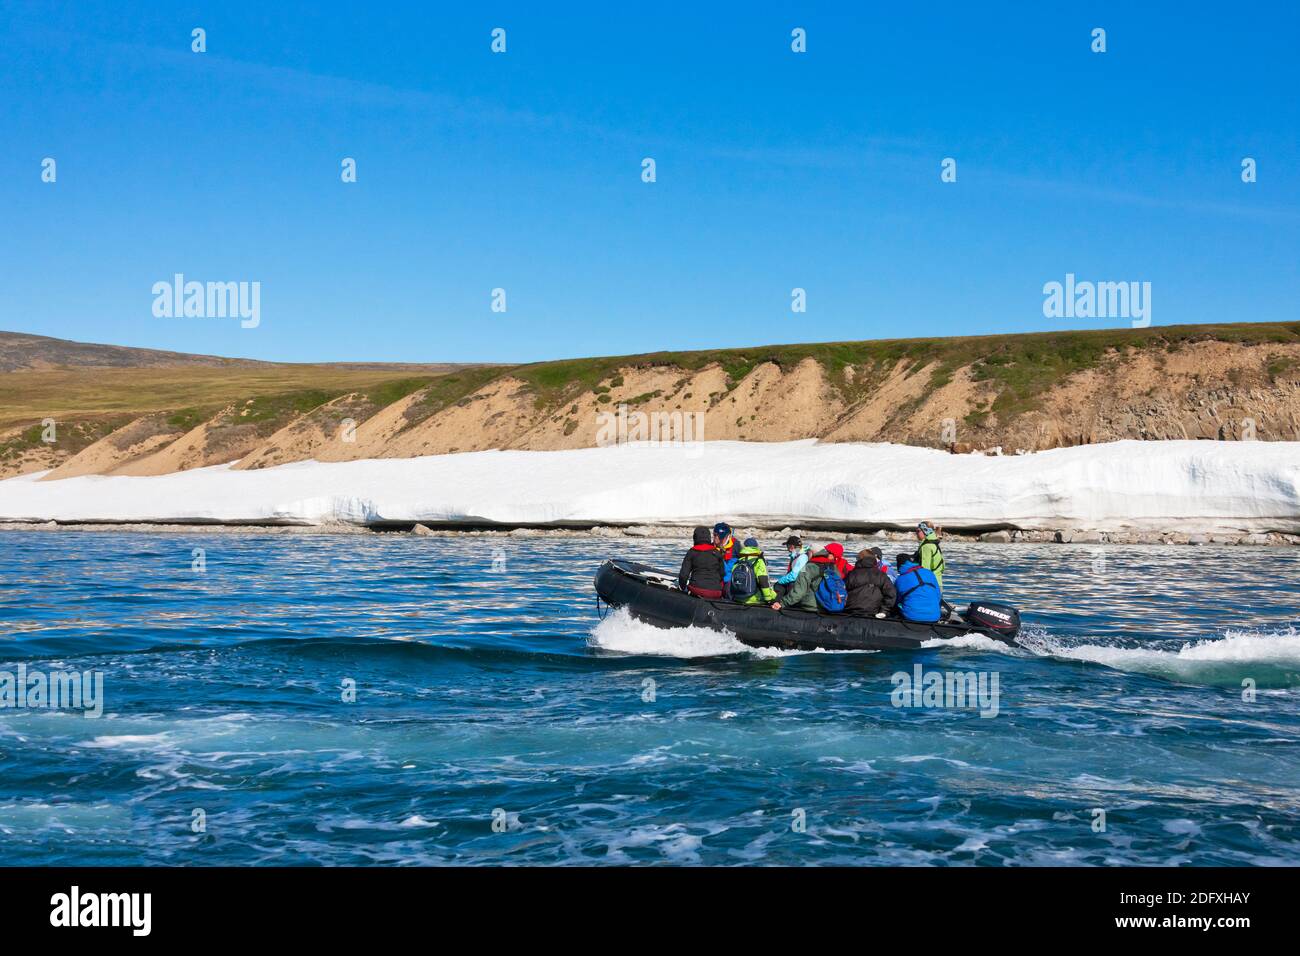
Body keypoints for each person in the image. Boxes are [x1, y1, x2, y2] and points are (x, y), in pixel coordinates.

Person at [771, 547, 844, 612]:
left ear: (811, 553)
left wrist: (782, 603)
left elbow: (799, 592)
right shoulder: (833, 566)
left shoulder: (807, 567)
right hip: (831, 604)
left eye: (807, 552)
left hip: (812, 606)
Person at [844, 550, 897, 617]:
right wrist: (884, 610)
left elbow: (842, 591)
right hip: (875, 611)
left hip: (852, 610)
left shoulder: (851, 574)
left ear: (859, 560)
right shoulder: (881, 575)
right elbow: (891, 594)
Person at [679, 526, 725, 598]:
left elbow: (683, 575)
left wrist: (683, 588)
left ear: (695, 538)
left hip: (697, 589)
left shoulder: (692, 552)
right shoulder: (717, 553)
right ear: (709, 537)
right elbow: (722, 574)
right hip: (715, 591)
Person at [729, 537, 778, 606]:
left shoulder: (738, 561)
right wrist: (769, 599)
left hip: (738, 597)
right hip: (753, 599)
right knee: (777, 596)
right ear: (756, 547)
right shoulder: (758, 561)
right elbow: (763, 581)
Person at [894, 555, 942, 622]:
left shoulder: (900, 579)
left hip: (911, 617)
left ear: (899, 566)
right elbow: (939, 596)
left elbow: (896, 601)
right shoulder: (930, 573)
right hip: (935, 616)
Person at [915, 521, 945, 591]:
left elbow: (925, 569)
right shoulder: (934, 543)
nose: (916, 533)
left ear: (925, 531)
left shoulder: (926, 546)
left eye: (918, 531)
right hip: (938, 582)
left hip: (930, 585)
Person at [713, 522, 740, 587]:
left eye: (720, 536)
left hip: (730, 582)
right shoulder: (710, 547)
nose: (716, 538)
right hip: (715, 581)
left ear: (727, 536)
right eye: (714, 535)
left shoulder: (736, 545)